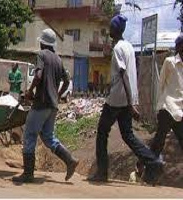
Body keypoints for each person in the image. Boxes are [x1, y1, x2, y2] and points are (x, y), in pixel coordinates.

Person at [87, 14, 163, 184]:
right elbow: (130, 74)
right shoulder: (128, 46)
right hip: (126, 98)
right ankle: (153, 161)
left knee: (102, 132)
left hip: (117, 98)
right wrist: (132, 101)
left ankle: (102, 172)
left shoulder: (117, 49)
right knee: (127, 134)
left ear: (115, 30)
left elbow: (123, 75)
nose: (109, 30)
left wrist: (130, 103)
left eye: (111, 28)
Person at [12, 29, 79, 183]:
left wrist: (29, 91)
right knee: (48, 137)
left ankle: (28, 173)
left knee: (29, 134)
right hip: (53, 106)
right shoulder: (58, 59)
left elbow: (38, 75)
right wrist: (57, 94)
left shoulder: (41, 55)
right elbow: (67, 81)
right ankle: (70, 160)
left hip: (41, 103)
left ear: (42, 43)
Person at [135, 34, 183, 181]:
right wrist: (159, 106)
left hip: (180, 111)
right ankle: (144, 168)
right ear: (179, 47)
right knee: (158, 142)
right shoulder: (170, 62)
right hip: (167, 108)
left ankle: (142, 165)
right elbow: (161, 84)